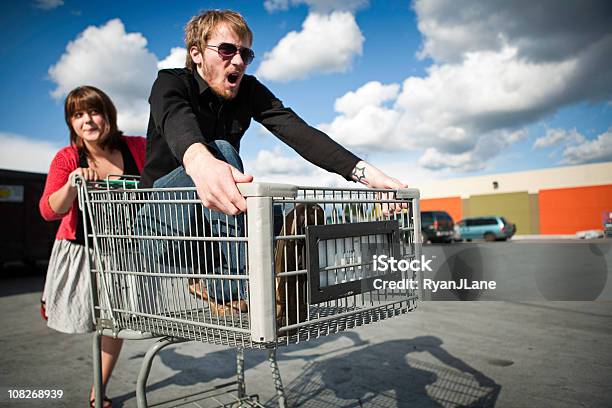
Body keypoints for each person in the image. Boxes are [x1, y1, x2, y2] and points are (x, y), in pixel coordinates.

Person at [138, 9, 406, 313]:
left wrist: (367, 175)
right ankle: (254, 290)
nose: (237, 60)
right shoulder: (170, 83)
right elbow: (176, 120)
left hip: (209, 238)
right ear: (197, 53)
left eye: (245, 53)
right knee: (222, 152)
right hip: (160, 228)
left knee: (289, 212)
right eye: (226, 50)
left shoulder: (248, 90)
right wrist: (200, 161)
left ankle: (270, 287)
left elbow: (297, 131)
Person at [39, 85, 146, 408]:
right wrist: (72, 182)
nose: (88, 121)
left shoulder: (136, 147)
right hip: (81, 250)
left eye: (94, 112)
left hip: (124, 251)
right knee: (85, 317)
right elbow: (48, 210)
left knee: (114, 322)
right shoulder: (68, 157)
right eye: (78, 115)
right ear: (71, 123)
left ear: (108, 115)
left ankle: (97, 391)